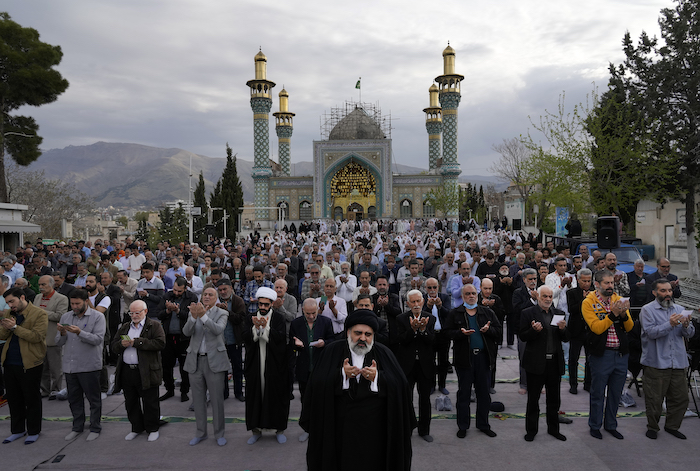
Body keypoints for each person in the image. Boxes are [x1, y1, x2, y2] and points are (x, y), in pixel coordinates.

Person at [300, 310, 415, 471]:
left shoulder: (383, 352)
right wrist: (341, 375)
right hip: (340, 428)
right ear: (348, 332)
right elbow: (316, 384)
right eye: (358, 333)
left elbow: (400, 385)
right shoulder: (331, 351)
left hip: (375, 430)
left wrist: (378, 377)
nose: (363, 338)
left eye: (368, 334)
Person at [640, 278, 695, 440]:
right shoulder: (647, 310)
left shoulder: (679, 308)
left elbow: (690, 334)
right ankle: (652, 427)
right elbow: (651, 333)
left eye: (669, 290)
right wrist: (669, 324)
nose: (667, 294)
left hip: (678, 361)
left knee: (681, 398)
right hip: (656, 362)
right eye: (663, 291)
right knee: (654, 399)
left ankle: (672, 426)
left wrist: (686, 326)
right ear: (655, 293)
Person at [582, 270, 633, 440]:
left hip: (620, 355)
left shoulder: (618, 300)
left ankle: (611, 425)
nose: (610, 286)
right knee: (597, 393)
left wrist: (624, 315)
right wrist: (613, 315)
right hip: (601, 355)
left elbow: (630, 327)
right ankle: (595, 425)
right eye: (607, 283)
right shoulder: (589, 302)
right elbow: (596, 328)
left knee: (615, 393)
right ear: (597, 284)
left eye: (612, 283)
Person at [446, 283, 501, 439]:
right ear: (463, 296)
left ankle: (483, 424)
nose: (471, 296)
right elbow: (446, 333)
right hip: (465, 359)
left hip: (483, 358)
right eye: (468, 294)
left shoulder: (487, 312)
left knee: (483, 393)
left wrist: (488, 330)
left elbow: (498, 332)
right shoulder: (455, 313)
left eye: (473, 293)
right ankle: (463, 426)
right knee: (464, 393)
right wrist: (460, 333)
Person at [111, 300, 165, 442]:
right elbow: (113, 346)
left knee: (150, 402)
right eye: (131, 313)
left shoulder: (154, 325)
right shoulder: (124, 327)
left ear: (145, 312)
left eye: (137, 312)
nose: (134, 315)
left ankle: (152, 428)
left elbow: (160, 343)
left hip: (147, 371)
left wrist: (138, 342)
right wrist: (121, 345)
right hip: (128, 371)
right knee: (131, 402)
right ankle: (136, 427)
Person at [56, 289, 106, 442]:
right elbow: (58, 342)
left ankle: (95, 427)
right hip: (70, 366)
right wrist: (63, 334)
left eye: (77, 303)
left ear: (86, 301)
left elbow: (97, 339)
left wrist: (79, 332)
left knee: (93, 400)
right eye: (72, 303)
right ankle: (77, 427)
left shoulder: (98, 317)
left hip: (89, 366)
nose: (74, 306)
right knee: (74, 399)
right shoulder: (66, 316)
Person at [519, 285, 568, 442]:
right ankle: (531, 430)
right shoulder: (528, 313)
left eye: (550, 296)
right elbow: (523, 336)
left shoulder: (559, 314)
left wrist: (563, 329)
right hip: (535, 363)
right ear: (538, 297)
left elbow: (566, 338)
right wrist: (534, 330)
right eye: (544, 296)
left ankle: (553, 429)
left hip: (554, 363)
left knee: (554, 400)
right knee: (533, 400)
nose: (547, 299)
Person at [243, 286, 290, 444]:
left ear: (271, 304)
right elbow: (245, 337)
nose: (262, 308)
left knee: (275, 396)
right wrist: (256, 329)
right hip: (255, 366)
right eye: (260, 304)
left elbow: (281, 339)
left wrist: (266, 328)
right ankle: (256, 430)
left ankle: (278, 429)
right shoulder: (250, 317)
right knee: (255, 396)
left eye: (266, 305)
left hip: (274, 366)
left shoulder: (278, 319)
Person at [0, 287, 47, 445]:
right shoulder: (9, 313)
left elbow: (37, 337)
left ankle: (34, 431)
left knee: (31, 398)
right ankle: (18, 430)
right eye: (7, 303)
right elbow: (2, 335)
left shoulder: (39, 313)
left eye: (12, 301)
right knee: (14, 399)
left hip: (30, 362)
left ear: (22, 297)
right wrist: (6, 327)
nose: (10, 305)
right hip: (10, 361)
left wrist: (15, 328)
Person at [182, 287, 229, 446]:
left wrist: (202, 316)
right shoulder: (193, 311)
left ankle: (219, 433)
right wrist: (194, 317)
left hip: (214, 360)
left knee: (216, 400)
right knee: (198, 400)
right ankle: (201, 433)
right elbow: (186, 332)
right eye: (205, 294)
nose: (207, 297)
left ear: (216, 298)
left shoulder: (222, 313)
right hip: (195, 361)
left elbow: (218, 330)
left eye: (210, 295)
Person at [289, 298, 334, 442]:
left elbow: (333, 340)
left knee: (322, 400)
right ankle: (307, 429)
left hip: (320, 368)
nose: (311, 316)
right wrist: (296, 345)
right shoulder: (296, 324)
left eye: (313, 313)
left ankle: (322, 428)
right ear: (303, 311)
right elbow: (291, 345)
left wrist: (324, 343)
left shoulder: (326, 322)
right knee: (305, 400)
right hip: (304, 368)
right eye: (308, 313)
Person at [396, 290, 436, 442]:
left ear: (423, 302)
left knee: (425, 399)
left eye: (418, 301)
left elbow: (432, 341)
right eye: (412, 302)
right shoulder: (401, 319)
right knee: (406, 399)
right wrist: (412, 330)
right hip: (407, 365)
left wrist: (423, 330)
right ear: (407, 304)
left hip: (425, 365)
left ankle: (424, 430)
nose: (416, 305)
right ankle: (407, 427)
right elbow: (400, 340)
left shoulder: (430, 318)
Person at [159, 277, 198, 402]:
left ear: (185, 289)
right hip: (168, 337)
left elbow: (191, 317)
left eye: (179, 291)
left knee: (184, 367)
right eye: (175, 290)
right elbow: (159, 314)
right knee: (166, 366)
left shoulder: (191, 298)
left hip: (183, 338)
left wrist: (177, 311)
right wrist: (167, 311)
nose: (176, 293)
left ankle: (184, 391)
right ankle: (169, 390)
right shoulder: (167, 296)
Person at [37, 275, 69, 399]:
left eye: (43, 285)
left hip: (52, 337)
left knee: (55, 367)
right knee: (42, 367)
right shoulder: (37, 297)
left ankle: (55, 389)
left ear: (52, 285)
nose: (41, 287)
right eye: (40, 285)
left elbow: (61, 316)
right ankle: (44, 389)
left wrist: (42, 312)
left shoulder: (61, 298)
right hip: (39, 338)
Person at [217, 279, 246, 402]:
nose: (223, 292)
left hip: (234, 340)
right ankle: (224, 393)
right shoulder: (216, 301)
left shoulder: (238, 301)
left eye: (225, 289)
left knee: (237, 368)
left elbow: (240, 319)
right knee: (222, 368)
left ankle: (238, 393)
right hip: (220, 341)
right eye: (220, 290)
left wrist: (226, 312)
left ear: (230, 288)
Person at [511, 268, 538, 395]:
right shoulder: (518, 292)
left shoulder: (541, 291)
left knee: (539, 357)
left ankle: (538, 383)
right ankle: (524, 384)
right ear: (524, 280)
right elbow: (517, 310)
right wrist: (532, 300)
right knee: (524, 357)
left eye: (535, 279)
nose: (533, 282)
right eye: (530, 279)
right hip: (523, 330)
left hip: (539, 330)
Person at [565, 268, 593, 394]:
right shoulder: (572, 292)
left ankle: (588, 383)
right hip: (576, 330)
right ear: (578, 279)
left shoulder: (595, 292)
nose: (586, 284)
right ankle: (573, 384)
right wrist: (584, 300)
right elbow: (572, 309)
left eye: (589, 281)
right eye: (584, 281)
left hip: (590, 330)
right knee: (573, 359)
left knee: (590, 359)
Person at [423, 277, 451, 394]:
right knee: (430, 361)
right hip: (430, 334)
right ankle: (431, 385)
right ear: (426, 288)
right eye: (429, 288)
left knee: (443, 361)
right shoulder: (423, 299)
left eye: (434, 287)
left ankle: (442, 385)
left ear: (438, 287)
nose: (432, 290)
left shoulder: (444, 297)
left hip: (443, 334)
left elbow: (449, 315)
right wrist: (428, 307)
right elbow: (421, 315)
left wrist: (440, 306)